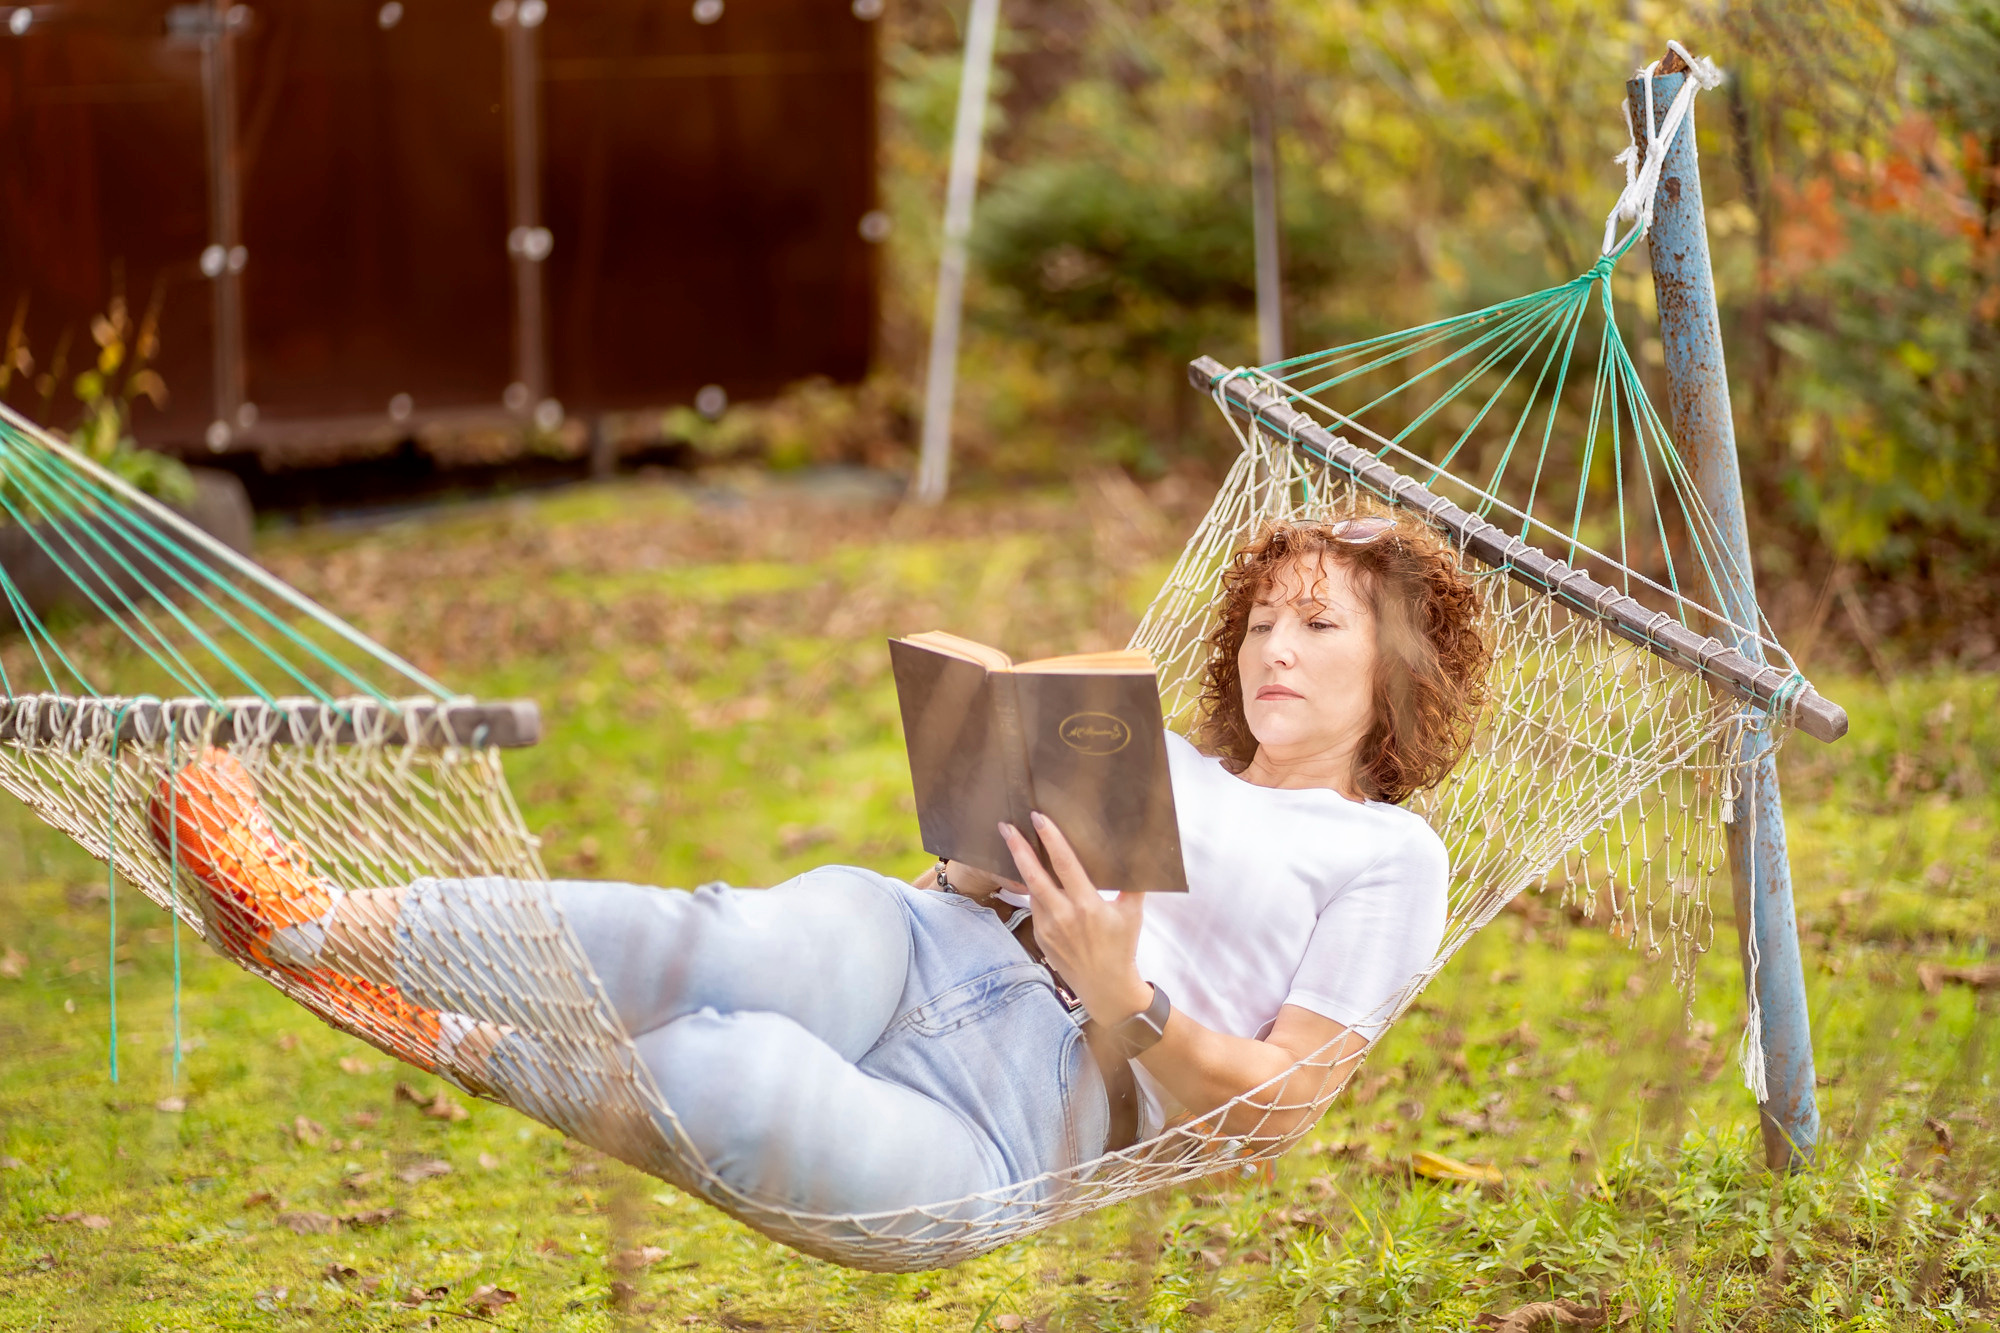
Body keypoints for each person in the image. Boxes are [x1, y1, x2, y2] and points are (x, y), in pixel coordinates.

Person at [148, 513, 1489, 1220]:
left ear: (1401, 668)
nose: (1275, 649)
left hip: (1021, 1120)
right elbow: (960, 886)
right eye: (1262, 620)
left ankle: (445, 1025)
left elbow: (1282, 1110)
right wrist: (978, 860)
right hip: (927, 944)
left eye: (1319, 624)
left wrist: (1125, 995)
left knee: (722, 1076)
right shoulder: (1162, 764)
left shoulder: (1387, 853)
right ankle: (312, 914)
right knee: (732, 948)